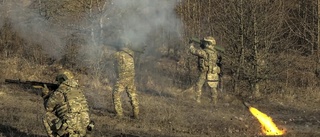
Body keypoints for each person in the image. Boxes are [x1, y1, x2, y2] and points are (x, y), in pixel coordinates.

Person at [41, 70, 94, 137]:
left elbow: (48, 107)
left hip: (70, 128)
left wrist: (45, 95)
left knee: (46, 116)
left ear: (61, 79)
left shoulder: (60, 91)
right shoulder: (79, 90)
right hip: (85, 129)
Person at [189, 36, 221, 104]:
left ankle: (197, 100)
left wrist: (191, 44)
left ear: (207, 44)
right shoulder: (215, 52)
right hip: (213, 72)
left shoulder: (204, 52)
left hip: (205, 72)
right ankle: (214, 101)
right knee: (213, 87)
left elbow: (193, 51)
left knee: (198, 85)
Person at [112, 44, 139, 119]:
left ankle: (119, 114)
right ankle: (136, 114)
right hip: (131, 77)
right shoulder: (131, 54)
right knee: (133, 95)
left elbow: (110, 59)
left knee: (116, 94)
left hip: (122, 78)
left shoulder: (118, 54)